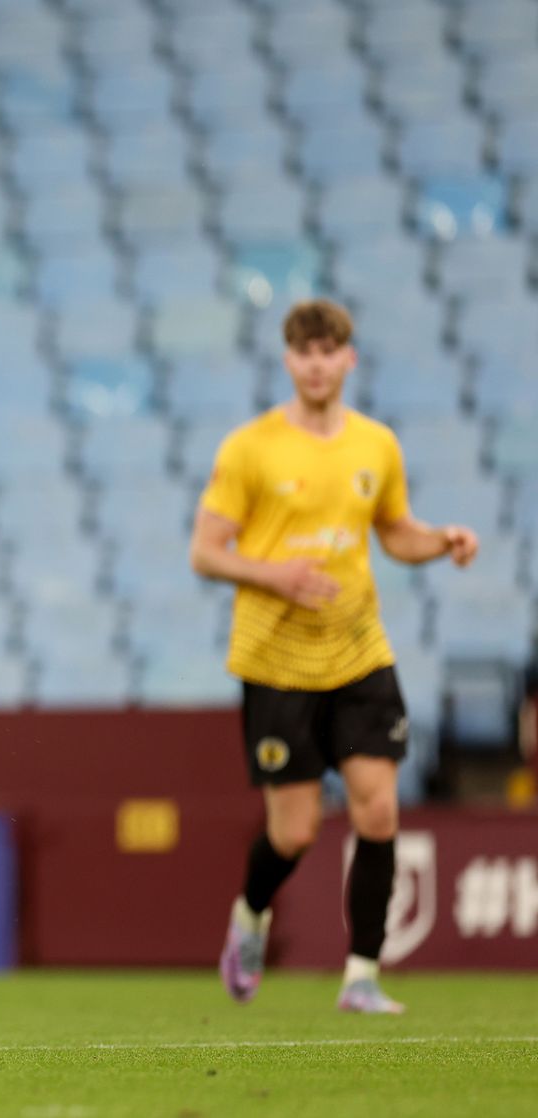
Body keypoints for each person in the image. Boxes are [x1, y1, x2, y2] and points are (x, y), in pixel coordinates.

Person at [191, 298, 478, 1014]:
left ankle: (362, 976)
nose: (317, 364)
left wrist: (440, 540)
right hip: (276, 663)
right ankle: (249, 917)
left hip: (358, 653)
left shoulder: (375, 445)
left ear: (349, 360)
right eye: (304, 352)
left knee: (378, 811)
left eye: (329, 352)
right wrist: (276, 574)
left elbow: (395, 532)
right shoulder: (250, 448)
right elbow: (205, 551)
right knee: (293, 832)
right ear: (289, 361)